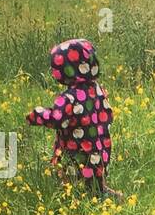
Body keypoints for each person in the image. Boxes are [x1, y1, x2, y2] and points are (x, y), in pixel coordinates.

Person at [26, 38, 122, 199]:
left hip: (76, 149)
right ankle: (104, 194)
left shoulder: (69, 98)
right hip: (98, 147)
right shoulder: (96, 89)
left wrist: (38, 115)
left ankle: (73, 201)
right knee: (94, 180)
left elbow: (56, 119)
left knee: (71, 185)